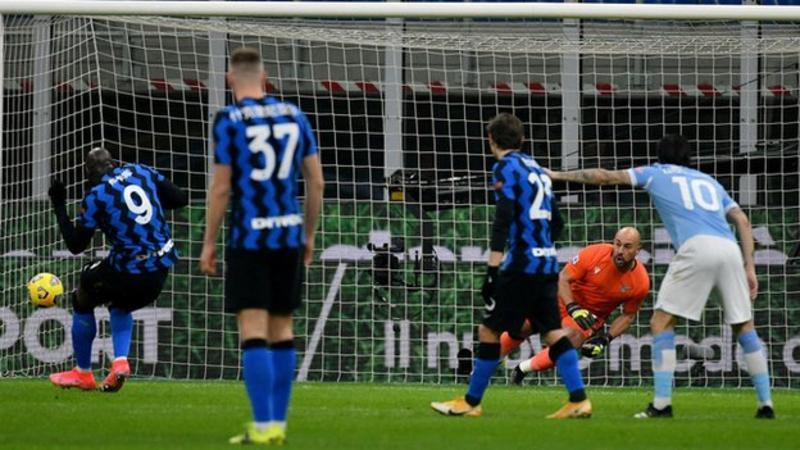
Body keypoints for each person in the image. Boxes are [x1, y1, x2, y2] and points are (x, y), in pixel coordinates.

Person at [546, 134, 773, 419]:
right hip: (729, 249)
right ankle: (766, 404)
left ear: (659, 156)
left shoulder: (656, 173)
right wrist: (749, 266)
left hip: (696, 247)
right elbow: (741, 219)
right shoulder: (709, 182)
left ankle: (662, 404)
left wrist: (557, 174)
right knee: (744, 326)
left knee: (661, 322)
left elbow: (604, 176)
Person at [199, 47, 324, 445]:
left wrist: (209, 242)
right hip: (288, 234)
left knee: (252, 329)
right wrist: (308, 235)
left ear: (230, 79)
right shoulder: (294, 115)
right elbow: (317, 183)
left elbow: (221, 188)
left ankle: (263, 424)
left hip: (249, 237)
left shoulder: (229, 119)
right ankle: (279, 426)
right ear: (265, 77)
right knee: (282, 328)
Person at [431, 112, 590, 419]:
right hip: (547, 264)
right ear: (522, 139)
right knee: (553, 333)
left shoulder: (505, 167)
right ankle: (579, 400)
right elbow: (557, 221)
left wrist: (493, 269)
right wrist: (541, 245)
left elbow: (503, 218)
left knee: (489, 330)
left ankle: (471, 402)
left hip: (521, 265)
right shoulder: (538, 169)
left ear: (491, 140)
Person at [48, 147, 187, 392]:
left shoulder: (96, 195)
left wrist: (59, 204)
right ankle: (120, 363)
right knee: (120, 304)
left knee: (83, 292)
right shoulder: (141, 171)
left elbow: (76, 245)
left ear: (89, 173)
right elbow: (180, 199)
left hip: (132, 269)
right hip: (161, 267)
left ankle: (83, 373)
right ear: (112, 163)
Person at [501, 227, 650, 384]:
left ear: (637, 250)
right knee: (523, 324)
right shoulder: (594, 253)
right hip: (563, 299)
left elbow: (628, 315)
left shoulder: (641, 282)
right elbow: (563, 278)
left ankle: (522, 369)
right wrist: (572, 307)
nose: (620, 251)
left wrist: (605, 339)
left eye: (627, 247)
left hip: (587, 318)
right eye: (617, 244)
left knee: (568, 342)